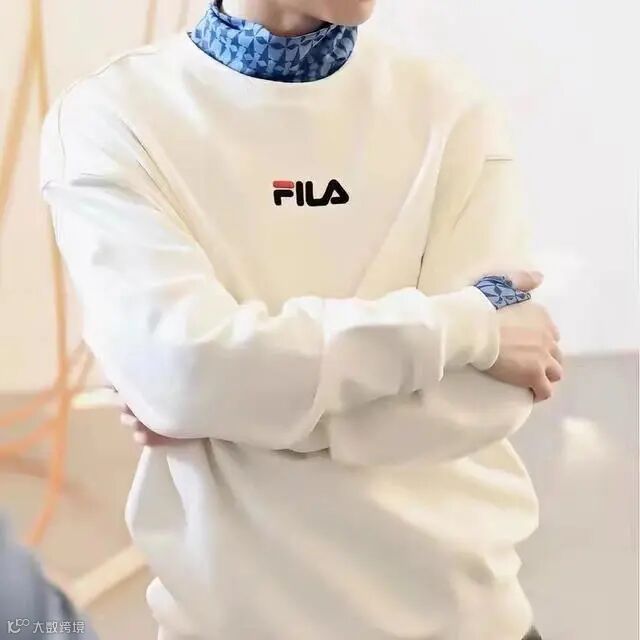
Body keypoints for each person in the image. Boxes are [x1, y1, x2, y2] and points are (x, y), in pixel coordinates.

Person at [39, 1, 561, 638]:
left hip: (470, 618)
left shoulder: (450, 106)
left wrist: (233, 410)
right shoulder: (113, 118)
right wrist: (465, 329)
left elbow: (487, 397)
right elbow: (187, 377)